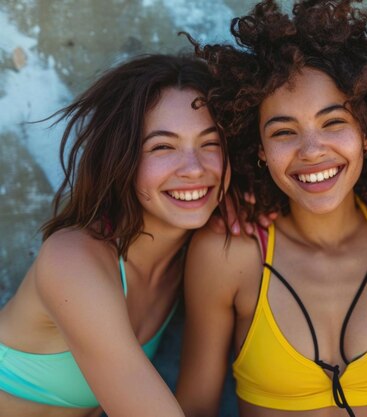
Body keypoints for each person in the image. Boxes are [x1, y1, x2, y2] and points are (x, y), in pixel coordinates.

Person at [176, 1, 367, 416]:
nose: (312, 151)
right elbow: (195, 407)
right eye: (283, 131)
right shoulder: (228, 253)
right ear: (260, 151)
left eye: (333, 122)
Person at [0, 54, 230, 417]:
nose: (194, 169)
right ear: (121, 158)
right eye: (162, 147)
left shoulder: (196, 257)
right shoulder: (73, 260)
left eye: (211, 143)